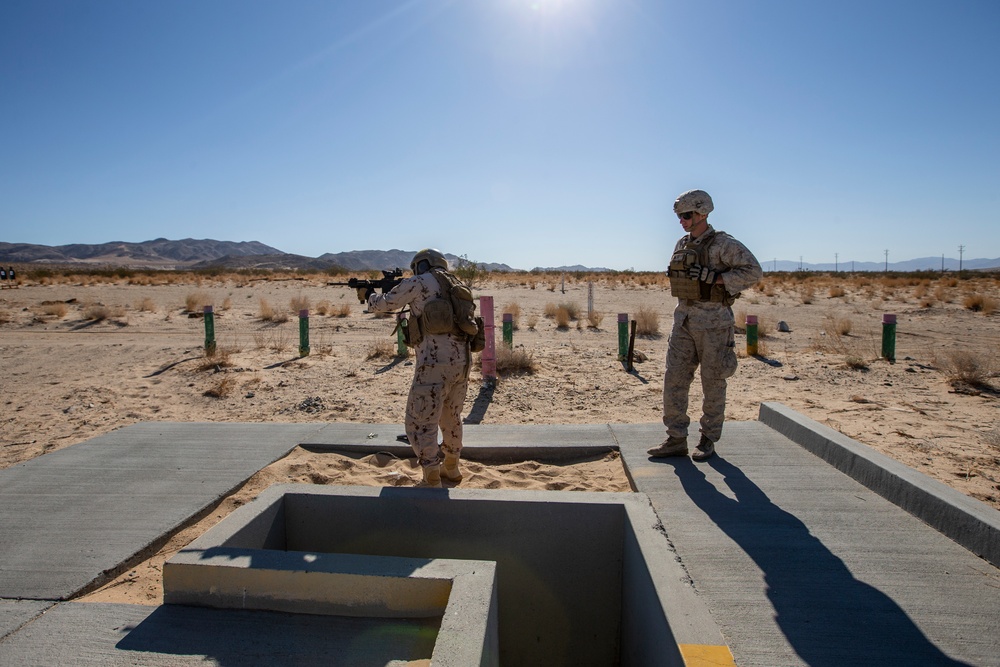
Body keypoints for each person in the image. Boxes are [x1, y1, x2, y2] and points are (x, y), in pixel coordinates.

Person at [648, 189, 762, 461]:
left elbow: (753, 272)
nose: (682, 220)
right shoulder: (682, 244)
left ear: (703, 213)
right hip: (684, 321)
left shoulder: (723, 244)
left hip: (713, 324)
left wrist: (717, 278)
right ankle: (676, 438)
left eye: (686, 215)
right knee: (674, 380)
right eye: (679, 216)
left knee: (713, 382)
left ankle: (708, 438)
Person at [366, 249, 472, 487]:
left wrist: (369, 295)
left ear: (420, 265)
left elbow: (385, 304)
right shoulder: (458, 285)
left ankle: (431, 473)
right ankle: (452, 468)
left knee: (420, 421)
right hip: (462, 364)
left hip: (433, 364)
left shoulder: (418, 282)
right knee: (451, 416)